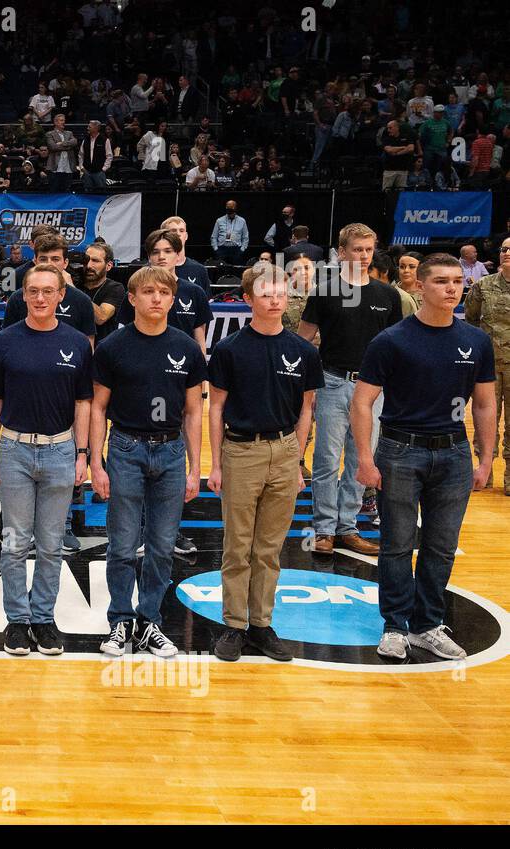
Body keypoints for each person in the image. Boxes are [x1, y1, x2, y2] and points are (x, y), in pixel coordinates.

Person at [353, 253, 496, 661]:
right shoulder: (391, 340)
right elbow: (363, 402)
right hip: (399, 450)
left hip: (453, 452)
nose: (452, 288)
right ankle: (395, 626)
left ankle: (428, 625)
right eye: (441, 281)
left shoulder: (476, 341)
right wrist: (365, 456)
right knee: (397, 544)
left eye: (457, 281)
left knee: (441, 546)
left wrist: (485, 459)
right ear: (421, 287)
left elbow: (484, 405)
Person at [207, 263, 322, 662]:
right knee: (238, 545)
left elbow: (307, 409)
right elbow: (215, 407)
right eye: (266, 293)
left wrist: (297, 460)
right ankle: (234, 624)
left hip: (285, 451)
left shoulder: (304, 351)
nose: (275, 299)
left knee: (269, 548)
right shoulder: (229, 349)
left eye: (280, 293)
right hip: (241, 450)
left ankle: (261, 624)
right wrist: (216, 463)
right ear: (248, 299)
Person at [91, 266, 205, 658]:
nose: (156, 298)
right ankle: (120, 621)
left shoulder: (187, 348)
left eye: (164, 293)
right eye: (148, 292)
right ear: (133, 299)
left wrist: (195, 467)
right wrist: (96, 463)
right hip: (125, 448)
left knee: (161, 545)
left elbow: (193, 412)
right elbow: (97, 408)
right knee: (122, 544)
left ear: (173, 300)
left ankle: (150, 620)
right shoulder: (112, 347)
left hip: (171, 451)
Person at [0, 264, 91, 657]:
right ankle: (18, 619)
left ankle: (43, 618)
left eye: (48, 291)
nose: (41, 297)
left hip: (61, 450)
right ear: (23, 295)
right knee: (14, 542)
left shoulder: (78, 342)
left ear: (61, 294)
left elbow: (84, 403)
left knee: (49, 544)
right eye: (33, 291)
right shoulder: (3, 342)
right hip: (14, 451)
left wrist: (83, 454)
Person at [298, 223, 402, 556]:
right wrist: (304, 388)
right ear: (341, 252)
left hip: (372, 390)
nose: (363, 255)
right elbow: (303, 341)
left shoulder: (387, 295)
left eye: (368, 249)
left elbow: (396, 346)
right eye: (356, 249)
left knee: (362, 459)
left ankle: (347, 526)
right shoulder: (324, 291)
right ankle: (325, 528)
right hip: (331, 382)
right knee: (327, 460)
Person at [464, 235, 510, 492]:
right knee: (485, 419)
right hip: (488, 367)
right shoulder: (482, 286)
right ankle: (483, 473)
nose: (506, 253)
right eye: (503, 249)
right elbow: (471, 321)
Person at [0, 236, 97, 346]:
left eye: (55, 259)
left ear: (65, 263)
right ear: (35, 261)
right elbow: (6, 342)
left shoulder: (82, 301)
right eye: (43, 259)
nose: (49, 264)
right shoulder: (17, 298)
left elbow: (88, 347)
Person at [210, 200, 249, 266]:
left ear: (236, 208)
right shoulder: (219, 220)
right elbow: (214, 236)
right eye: (228, 208)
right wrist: (216, 249)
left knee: (236, 272)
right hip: (222, 250)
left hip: (236, 250)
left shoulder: (242, 221)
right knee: (221, 272)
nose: (230, 210)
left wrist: (242, 249)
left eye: (232, 208)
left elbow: (245, 237)